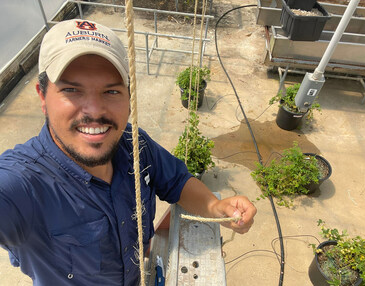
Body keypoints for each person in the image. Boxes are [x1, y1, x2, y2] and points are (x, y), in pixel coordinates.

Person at [0, 19, 256, 286]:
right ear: (42, 96)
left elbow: (176, 181)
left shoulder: (133, 144)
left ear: (129, 99)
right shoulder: (23, 184)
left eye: (111, 91)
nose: (95, 110)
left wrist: (215, 207)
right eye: (71, 90)